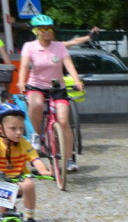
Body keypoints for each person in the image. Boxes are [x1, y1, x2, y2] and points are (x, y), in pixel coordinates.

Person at [17, 14, 83, 173]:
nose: (47, 32)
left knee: (64, 121)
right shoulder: (29, 46)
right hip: (36, 85)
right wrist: (21, 81)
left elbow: (69, 65)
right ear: (36, 31)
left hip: (57, 88)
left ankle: (68, 159)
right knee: (36, 104)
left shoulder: (59, 46)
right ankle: (37, 136)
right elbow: (25, 65)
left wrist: (76, 80)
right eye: (43, 29)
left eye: (49, 29)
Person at [0, 103, 51, 222]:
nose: (18, 132)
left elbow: (35, 159)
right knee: (2, 212)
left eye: (21, 128)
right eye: (13, 128)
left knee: (29, 184)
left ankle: (30, 220)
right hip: (1, 183)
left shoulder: (24, 143)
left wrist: (42, 170)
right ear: (1, 128)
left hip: (18, 180)